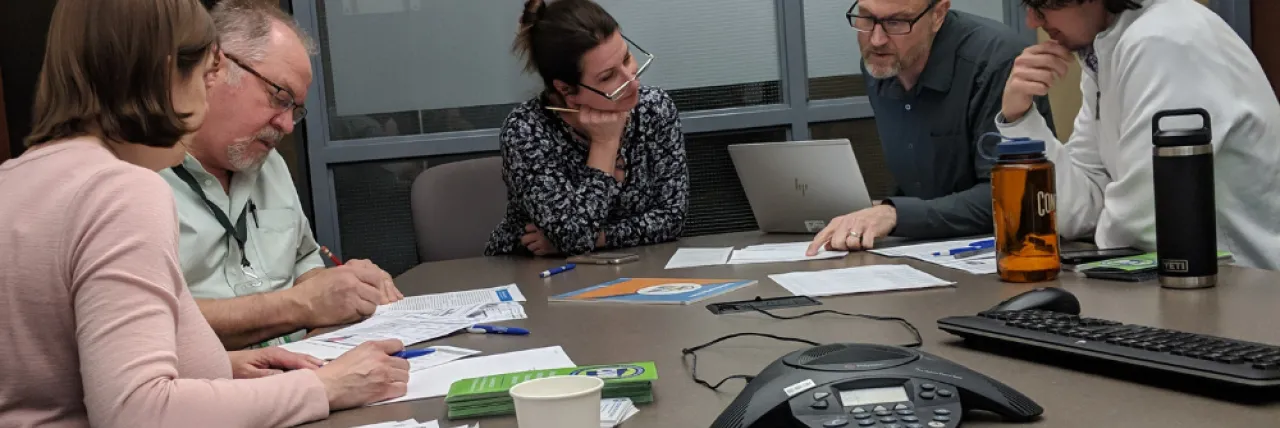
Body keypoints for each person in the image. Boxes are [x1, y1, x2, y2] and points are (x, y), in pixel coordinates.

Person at [0, 0, 408, 425]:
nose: (207, 92)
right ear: (167, 72)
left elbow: (55, 374)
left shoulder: (13, 179)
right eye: (207, 71)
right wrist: (326, 387)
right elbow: (139, 413)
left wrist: (221, 366)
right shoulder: (123, 188)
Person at [159, 0, 404, 351]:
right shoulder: (138, 175)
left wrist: (343, 288)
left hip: (308, 367)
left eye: (296, 110)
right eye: (280, 97)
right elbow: (153, 325)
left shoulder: (268, 164)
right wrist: (301, 305)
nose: (287, 126)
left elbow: (304, 264)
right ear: (215, 68)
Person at [994, 0, 1280, 270]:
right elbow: (1076, 212)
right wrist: (1020, 119)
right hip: (1189, 279)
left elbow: (1146, 222)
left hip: (1246, 286)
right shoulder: (1108, 50)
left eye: (1041, 5)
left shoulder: (1165, 39)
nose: (1032, 21)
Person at [807, 0, 1053, 256]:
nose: (877, 39)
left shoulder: (996, 60)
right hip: (928, 251)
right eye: (867, 18)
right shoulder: (880, 62)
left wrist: (895, 214)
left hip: (1008, 252)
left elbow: (1011, 198)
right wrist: (874, 212)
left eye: (896, 22)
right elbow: (924, 184)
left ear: (938, 15)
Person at [484, 0, 689, 257]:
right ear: (566, 90)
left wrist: (600, 238)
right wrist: (605, 145)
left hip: (630, 269)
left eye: (626, 58)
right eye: (607, 77)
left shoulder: (654, 109)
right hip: (532, 274)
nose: (632, 82)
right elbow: (574, 236)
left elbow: (672, 217)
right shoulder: (526, 131)